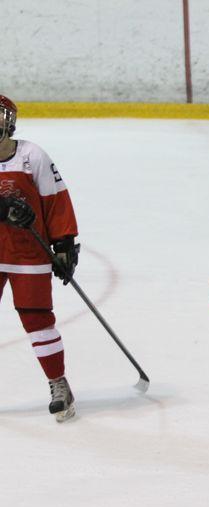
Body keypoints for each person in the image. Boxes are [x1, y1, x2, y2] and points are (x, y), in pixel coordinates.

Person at [0, 94, 80, 422]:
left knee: (36, 319)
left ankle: (59, 384)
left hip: (27, 253)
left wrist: (64, 245)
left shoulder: (32, 155)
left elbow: (56, 200)